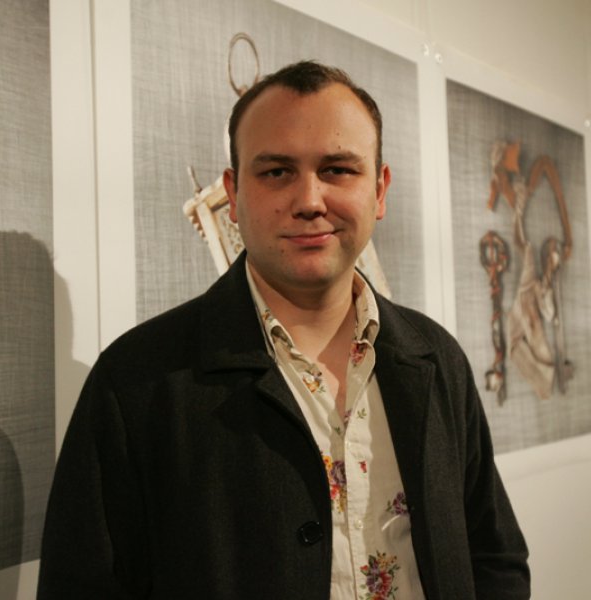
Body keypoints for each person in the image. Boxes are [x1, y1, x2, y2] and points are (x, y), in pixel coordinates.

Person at [38, 61, 530, 599]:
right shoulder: (135, 383)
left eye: (338, 169)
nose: (310, 201)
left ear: (380, 190)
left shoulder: (436, 358)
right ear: (234, 195)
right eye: (276, 172)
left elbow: (494, 556)